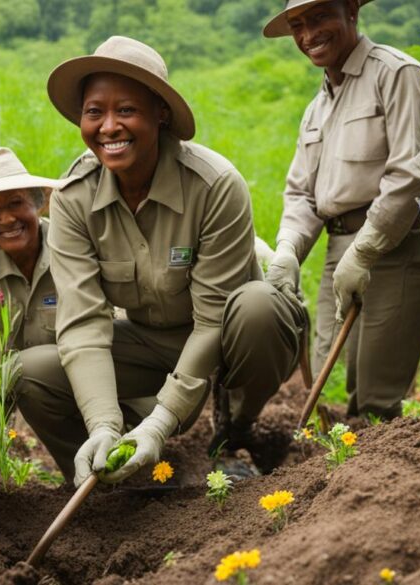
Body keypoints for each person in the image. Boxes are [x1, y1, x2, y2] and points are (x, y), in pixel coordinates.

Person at [45, 36, 308, 485]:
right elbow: (83, 322)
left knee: (260, 308)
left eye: (126, 110)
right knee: (35, 374)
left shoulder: (214, 185)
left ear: (160, 114)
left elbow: (211, 322)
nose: (109, 126)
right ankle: (119, 472)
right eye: (94, 112)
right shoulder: (71, 199)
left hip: (229, 337)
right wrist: (104, 423)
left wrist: (161, 420)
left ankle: (236, 428)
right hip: (152, 342)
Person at [0, 147, 154, 481]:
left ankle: (124, 453)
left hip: (100, 370)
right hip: (23, 385)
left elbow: (117, 322)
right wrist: (21, 429)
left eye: (16, 203)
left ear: (36, 204)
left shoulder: (76, 245)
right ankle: (51, 463)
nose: (6, 219)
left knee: (151, 410)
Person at [262, 0, 420, 421]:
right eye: (298, 25)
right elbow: (301, 193)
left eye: (320, 18)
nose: (308, 35)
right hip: (339, 251)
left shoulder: (397, 74)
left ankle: (378, 481)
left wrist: (365, 250)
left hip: (393, 250)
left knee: (375, 394)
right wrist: (287, 251)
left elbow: (411, 173)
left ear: (351, 11)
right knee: (326, 375)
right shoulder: (317, 107)